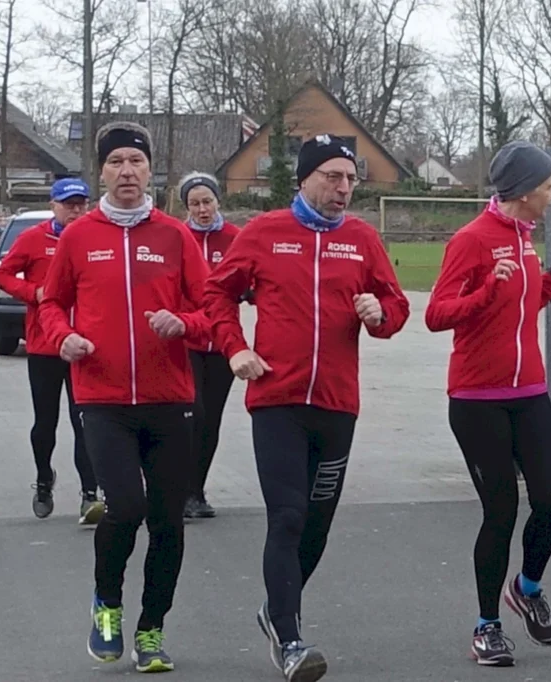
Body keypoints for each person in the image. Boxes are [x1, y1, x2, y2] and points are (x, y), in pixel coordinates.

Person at [203, 133, 410, 682]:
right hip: (277, 399)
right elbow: (215, 294)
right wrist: (236, 348)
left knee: (316, 525)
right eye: (332, 177)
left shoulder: (362, 240)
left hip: (338, 404)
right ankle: (291, 638)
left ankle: (276, 608)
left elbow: (396, 306)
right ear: (305, 178)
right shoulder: (265, 233)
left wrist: (378, 311)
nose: (343, 188)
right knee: (289, 515)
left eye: (350, 179)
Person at [38, 121, 212, 674]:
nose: (127, 171)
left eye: (136, 161)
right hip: (102, 397)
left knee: (167, 522)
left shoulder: (175, 236)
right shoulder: (79, 236)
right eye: (116, 163)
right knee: (125, 507)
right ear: (102, 172)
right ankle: (107, 603)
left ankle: (152, 627)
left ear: (150, 170)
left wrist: (181, 323)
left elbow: (211, 309)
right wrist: (63, 337)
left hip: (169, 399)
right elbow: (49, 303)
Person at [425, 141, 551, 667]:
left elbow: (525, 305)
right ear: (526, 189)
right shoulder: (472, 240)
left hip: (529, 393)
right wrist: (487, 289)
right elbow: (439, 313)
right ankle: (487, 626)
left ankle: (527, 587)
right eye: (549, 185)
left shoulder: (527, 240)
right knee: (502, 511)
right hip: (477, 398)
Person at [0, 178, 104, 524]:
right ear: (54, 205)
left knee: (84, 421)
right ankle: (43, 480)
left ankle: (90, 494)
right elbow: (3, 274)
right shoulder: (33, 239)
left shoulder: (93, 237)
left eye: (81, 204)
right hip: (44, 346)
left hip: (84, 346)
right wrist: (33, 293)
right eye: (69, 204)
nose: (76, 210)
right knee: (46, 422)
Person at [177, 172, 241, 520]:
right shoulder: (177, 236)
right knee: (192, 414)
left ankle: (196, 490)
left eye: (207, 202)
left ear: (218, 201)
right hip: (185, 339)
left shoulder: (235, 237)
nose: (202, 210)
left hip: (222, 342)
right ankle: (177, 486)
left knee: (210, 419)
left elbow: (252, 278)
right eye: (194, 204)